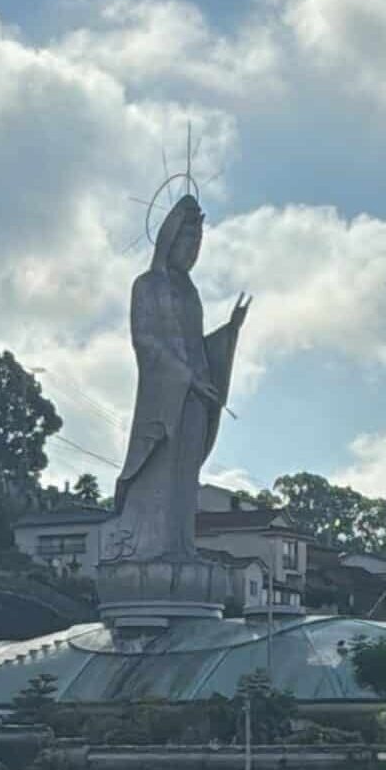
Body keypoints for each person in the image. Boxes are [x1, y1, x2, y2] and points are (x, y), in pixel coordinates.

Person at [104, 194, 250, 563]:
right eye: (188, 241)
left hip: (196, 397)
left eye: (199, 243)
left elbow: (196, 345)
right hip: (166, 398)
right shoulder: (147, 285)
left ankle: (181, 546)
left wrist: (229, 332)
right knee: (161, 474)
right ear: (170, 240)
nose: (193, 251)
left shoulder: (191, 292)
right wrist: (184, 376)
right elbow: (145, 341)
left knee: (186, 480)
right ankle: (151, 547)